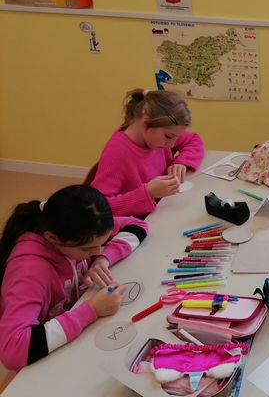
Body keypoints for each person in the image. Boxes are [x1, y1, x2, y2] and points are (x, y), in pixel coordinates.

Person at [0, 185, 148, 370]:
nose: (97, 251)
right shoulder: (30, 271)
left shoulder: (81, 227)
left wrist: (103, 259)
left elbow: (137, 225)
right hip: (44, 361)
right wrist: (91, 309)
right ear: (52, 238)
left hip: (74, 336)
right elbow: (12, 350)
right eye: (87, 249)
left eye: (102, 244)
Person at [91, 88, 204, 217]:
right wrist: (148, 193)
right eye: (168, 137)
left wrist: (182, 162)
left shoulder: (160, 133)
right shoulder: (117, 153)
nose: (172, 144)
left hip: (164, 207)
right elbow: (98, 208)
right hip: (140, 221)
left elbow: (194, 140)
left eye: (176, 138)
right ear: (146, 122)